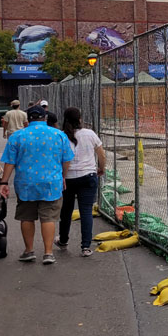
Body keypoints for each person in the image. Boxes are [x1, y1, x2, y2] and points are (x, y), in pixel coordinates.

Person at [0, 105, 75, 265]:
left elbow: (9, 162)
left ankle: (29, 251)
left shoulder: (17, 136)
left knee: (26, 217)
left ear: (28, 120)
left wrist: (4, 182)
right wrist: (62, 176)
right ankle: (48, 253)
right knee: (48, 218)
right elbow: (67, 159)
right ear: (45, 118)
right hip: (51, 183)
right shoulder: (59, 135)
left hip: (26, 183)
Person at [57, 107, 105, 256]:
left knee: (66, 210)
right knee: (86, 211)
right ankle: (85, 247)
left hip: (69, 177)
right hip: (88, 175)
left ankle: (63, 239)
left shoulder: (62, 136)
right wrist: (101, 168)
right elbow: (101, 154)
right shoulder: (90, 134)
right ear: (79, 119)